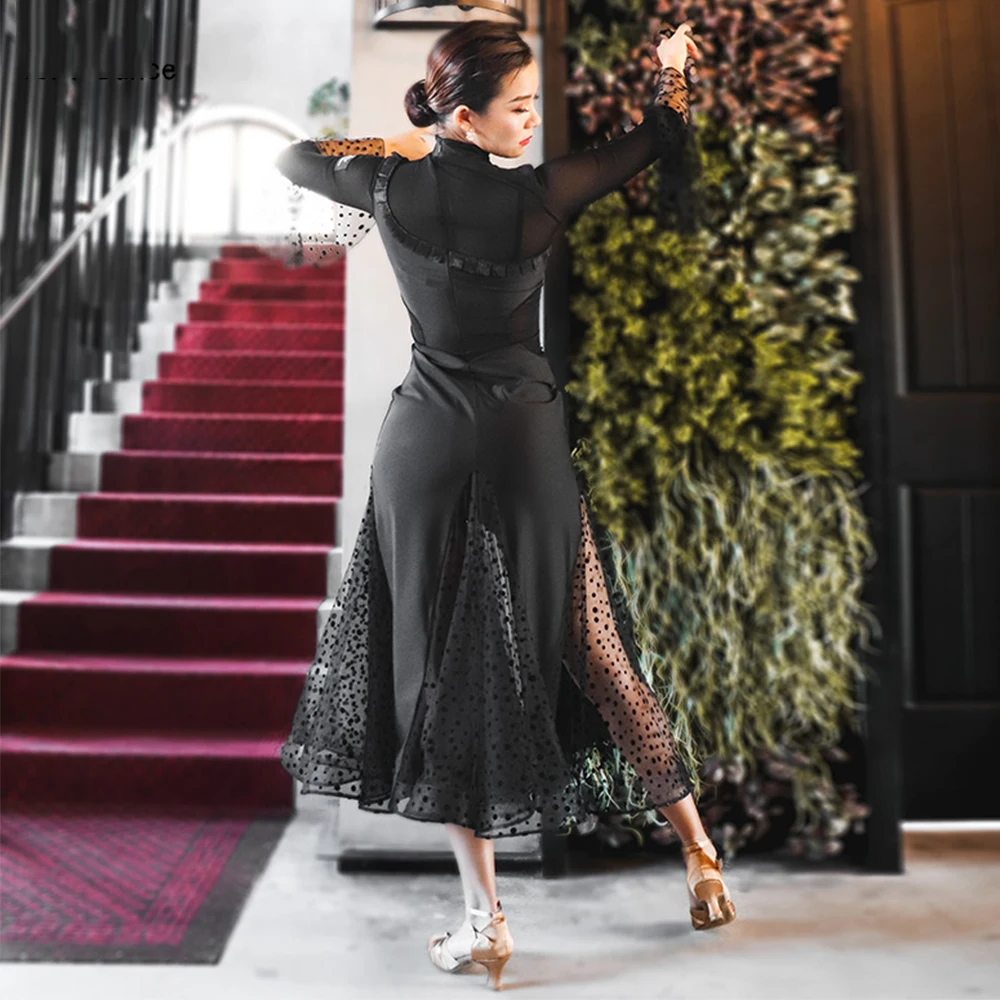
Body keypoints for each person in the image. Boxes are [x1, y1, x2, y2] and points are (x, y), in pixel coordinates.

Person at [273, 19, 735, 991]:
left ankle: (484, 920)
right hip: (523, 439)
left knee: (443, 676)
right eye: (518, 105)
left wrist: (391, 144)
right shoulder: (539, 198)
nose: (531, 120)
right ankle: (699, 854)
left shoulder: (387, 184)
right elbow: (660, 136)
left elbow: (292, 155)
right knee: (595, 648)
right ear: (467, 109)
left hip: (424, 446)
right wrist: (672, 67)